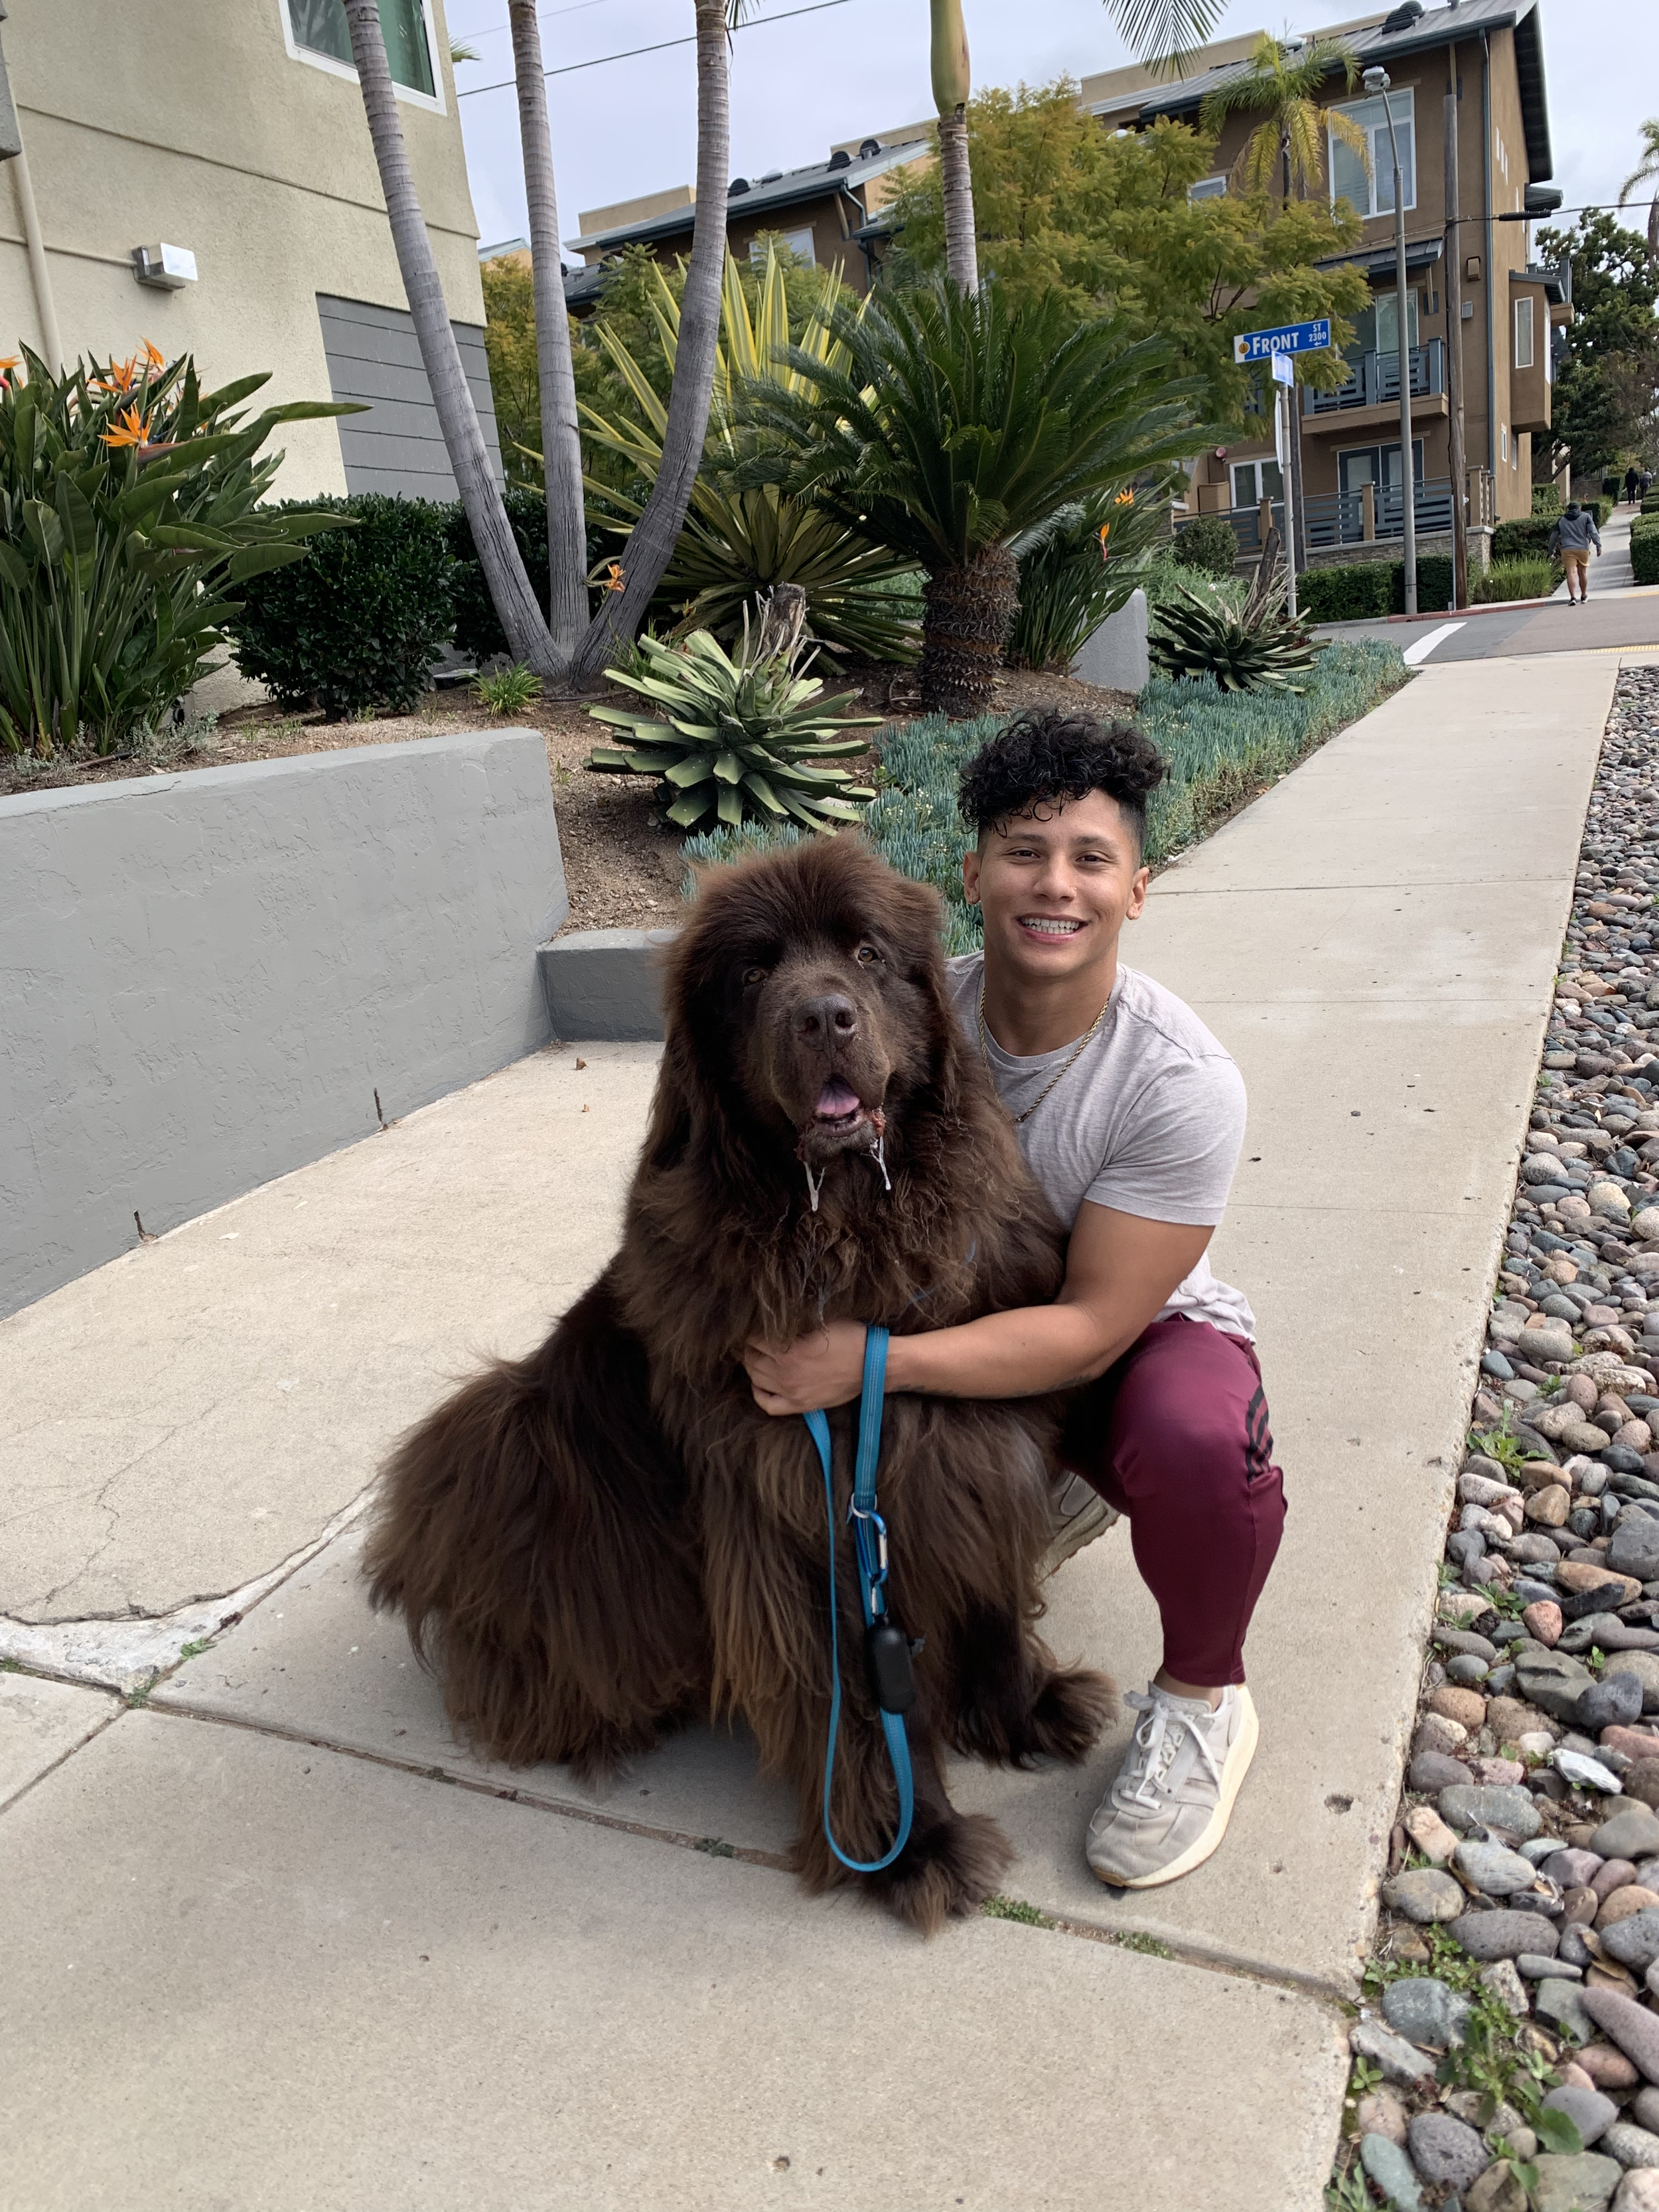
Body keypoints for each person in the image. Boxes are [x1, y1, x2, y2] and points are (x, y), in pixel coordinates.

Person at [744, 712, 1285, 1890]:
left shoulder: (1179, 1082)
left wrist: (868, 1365)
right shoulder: (904, 1004)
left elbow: (1093, 1325)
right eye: (1026, 849)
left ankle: (1203, 1697)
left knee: (1197, 1437)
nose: (1057, 882)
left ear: (1137, 888)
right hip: (938, 1319)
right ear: (974, 868)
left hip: (1116, 1339)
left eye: (1091, 857)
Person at [1548, 500, 1602, 604]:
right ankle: (1583, 595)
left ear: (1568, 510)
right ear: (1579, 508)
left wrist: (1552, 551)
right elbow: (1593, 532)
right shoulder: (1586, 517)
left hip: (1567, 549)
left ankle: (1573, 597)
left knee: (1571, 573)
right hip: (1583, 549)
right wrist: (1598, 545)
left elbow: (1554, 537)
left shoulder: (1562, 520)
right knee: (1582, 573)